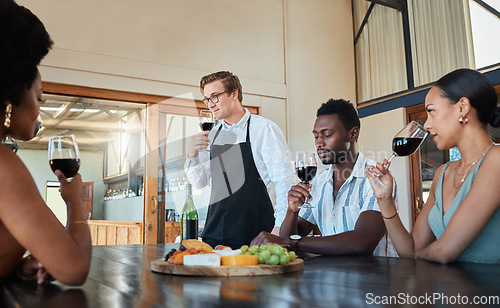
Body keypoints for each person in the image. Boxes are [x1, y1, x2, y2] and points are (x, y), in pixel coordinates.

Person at [365, 68, 500, 264]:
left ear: (462, 107)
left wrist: (421, 255)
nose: (426, 125)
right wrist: (385, 200)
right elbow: (410, 250)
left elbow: (444, 252)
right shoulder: (442, 174)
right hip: (448, 294)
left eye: (431, 111)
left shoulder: (496, 159)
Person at [0, 0, 91, 285]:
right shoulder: (4, 165)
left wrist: (17, 267)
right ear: (12, 90)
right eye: (38, 96)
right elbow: (74, 267)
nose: (39, 108)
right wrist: (75, 200)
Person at [252, 99, 397, 257]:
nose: (319, 143)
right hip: (332, 278)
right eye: (316, 136)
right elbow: (290, 238)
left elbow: (363, 242)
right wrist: (291, 210)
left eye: (327, 135)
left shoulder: (376, 179)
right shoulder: (318, 182)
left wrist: (292, 242)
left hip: (377, 278)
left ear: (353, 134)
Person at [184, 71, 297, 249]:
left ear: (234, 93)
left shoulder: (264, 129)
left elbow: (284, 180)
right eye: (207, 99)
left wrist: (278, 228)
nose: (210, 104)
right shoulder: (211, 135)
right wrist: (192, 155)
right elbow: (199, 183)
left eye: (215, 97)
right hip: (215, 233)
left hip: (254, 233)